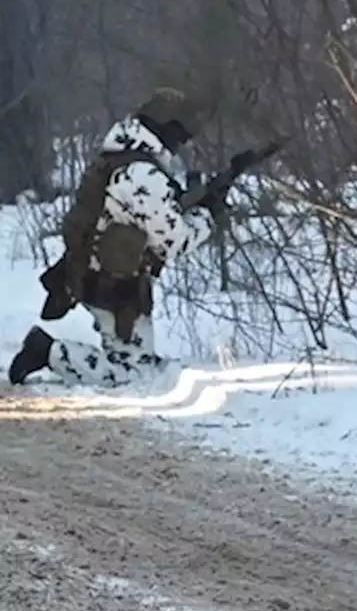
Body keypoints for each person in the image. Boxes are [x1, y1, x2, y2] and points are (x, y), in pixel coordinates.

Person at [8, 87, 225, 388]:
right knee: (131, 376)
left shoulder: (123, 157)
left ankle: (54, 352)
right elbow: (173, 241)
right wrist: (208, 215)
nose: (183, 141)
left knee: (140, 362)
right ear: (165, 129)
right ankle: (48, 352)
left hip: (103, 275)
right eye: (180, 133)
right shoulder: (141, 173)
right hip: (112, 284)